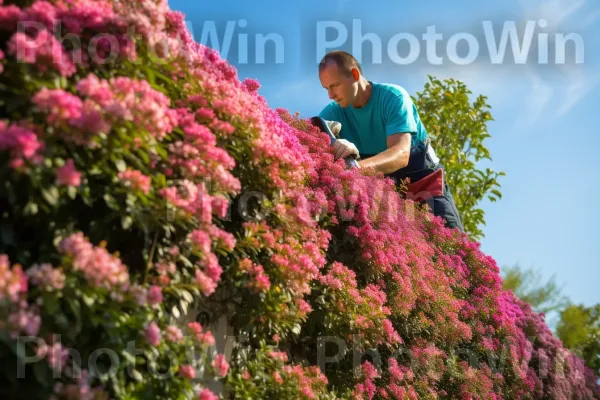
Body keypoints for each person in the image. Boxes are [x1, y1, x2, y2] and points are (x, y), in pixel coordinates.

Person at [316, 50, 464, 231]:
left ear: (354, 75)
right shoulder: (332, 113)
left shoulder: (393, 98)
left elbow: (401, 154)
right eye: (326, 88)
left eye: (335, 85)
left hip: (425, 183)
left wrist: (354, 168)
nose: (330, 95)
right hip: (387, 195)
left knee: (452, 243)